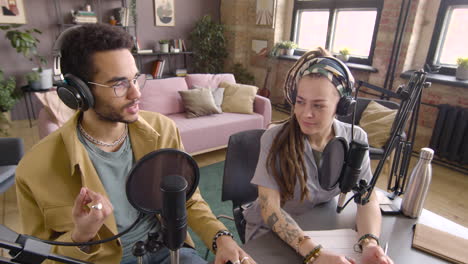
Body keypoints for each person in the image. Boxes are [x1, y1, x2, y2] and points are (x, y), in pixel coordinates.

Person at [15, 24, 254, 264]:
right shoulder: (35, 169)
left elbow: (186, 198)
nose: (136, 93)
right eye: (119, 84)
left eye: (136, 79)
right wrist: (82, 236)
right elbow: (37, 258)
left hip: (170, 252)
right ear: (79, 92)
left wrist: (221, 237)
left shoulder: (162, 130)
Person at [243, 48, 394, 264]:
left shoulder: (355, 138)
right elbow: (270, 210)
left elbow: (366, 196)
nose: (306, 113)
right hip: (269, 233)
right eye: (300, 102)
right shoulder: (274, 137)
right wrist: (315, 254)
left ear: (341, 106)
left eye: (319, 105)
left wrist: (369, 242)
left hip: (319, 223)